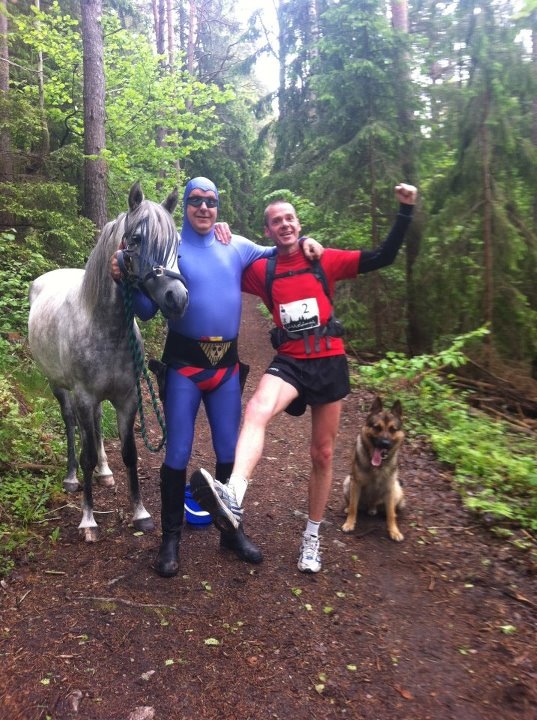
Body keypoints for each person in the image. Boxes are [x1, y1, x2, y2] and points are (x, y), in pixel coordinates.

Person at [190, 182, 418, 573]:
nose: (285, 225)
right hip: (291, 361)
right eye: (276, 221)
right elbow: (216, 265)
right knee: (257, 409)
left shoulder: (323, 259)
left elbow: (383, 256)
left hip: (328, 362)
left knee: (322, 454)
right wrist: (214, 230)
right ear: (267, 231)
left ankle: (311, 539)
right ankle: (233, 497)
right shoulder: (262, 269)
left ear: (298, 224)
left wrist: (405, 210)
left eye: (290, 219)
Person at [112, 177, 323, 578]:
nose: (204, 207)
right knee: (178, 453)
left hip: (226, 369)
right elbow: (146, 310)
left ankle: (231, 533)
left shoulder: (236, 245)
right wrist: (123, 274)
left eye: (211, 201)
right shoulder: (169, 246)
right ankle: (170, 540)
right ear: (185, 206)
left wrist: (307, 241)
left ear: (218, 207)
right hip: (183, 367)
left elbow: (283, 251)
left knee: (230, 452)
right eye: (196, 200)